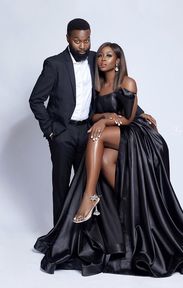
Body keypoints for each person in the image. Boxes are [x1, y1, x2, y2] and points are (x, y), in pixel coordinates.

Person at [34, 42, 183, 277]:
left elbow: (128, 118)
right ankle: (132, 203)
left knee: (94, 138)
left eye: (108, 56)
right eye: (100, 56)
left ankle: (89, 198)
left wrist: (105, 121)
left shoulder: (128, 82)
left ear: (118, 61)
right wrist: (103, 117)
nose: (102, 59)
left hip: (135, 134)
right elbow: (96, 113)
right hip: (114, 131)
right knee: (106, 161)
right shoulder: (99, 85)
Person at [29, 19, 156, 225]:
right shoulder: (54, 64)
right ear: (68, 39)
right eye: (78, 41)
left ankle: (85, 238)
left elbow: (114, 90)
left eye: (87, 40)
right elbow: (36, 100)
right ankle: (61, 236)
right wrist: (51, 131)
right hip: (63, 132)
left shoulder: (95, 59)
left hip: (89, 131)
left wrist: (139, 113)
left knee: (90, 182)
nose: (83, 45)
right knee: (61, 185)